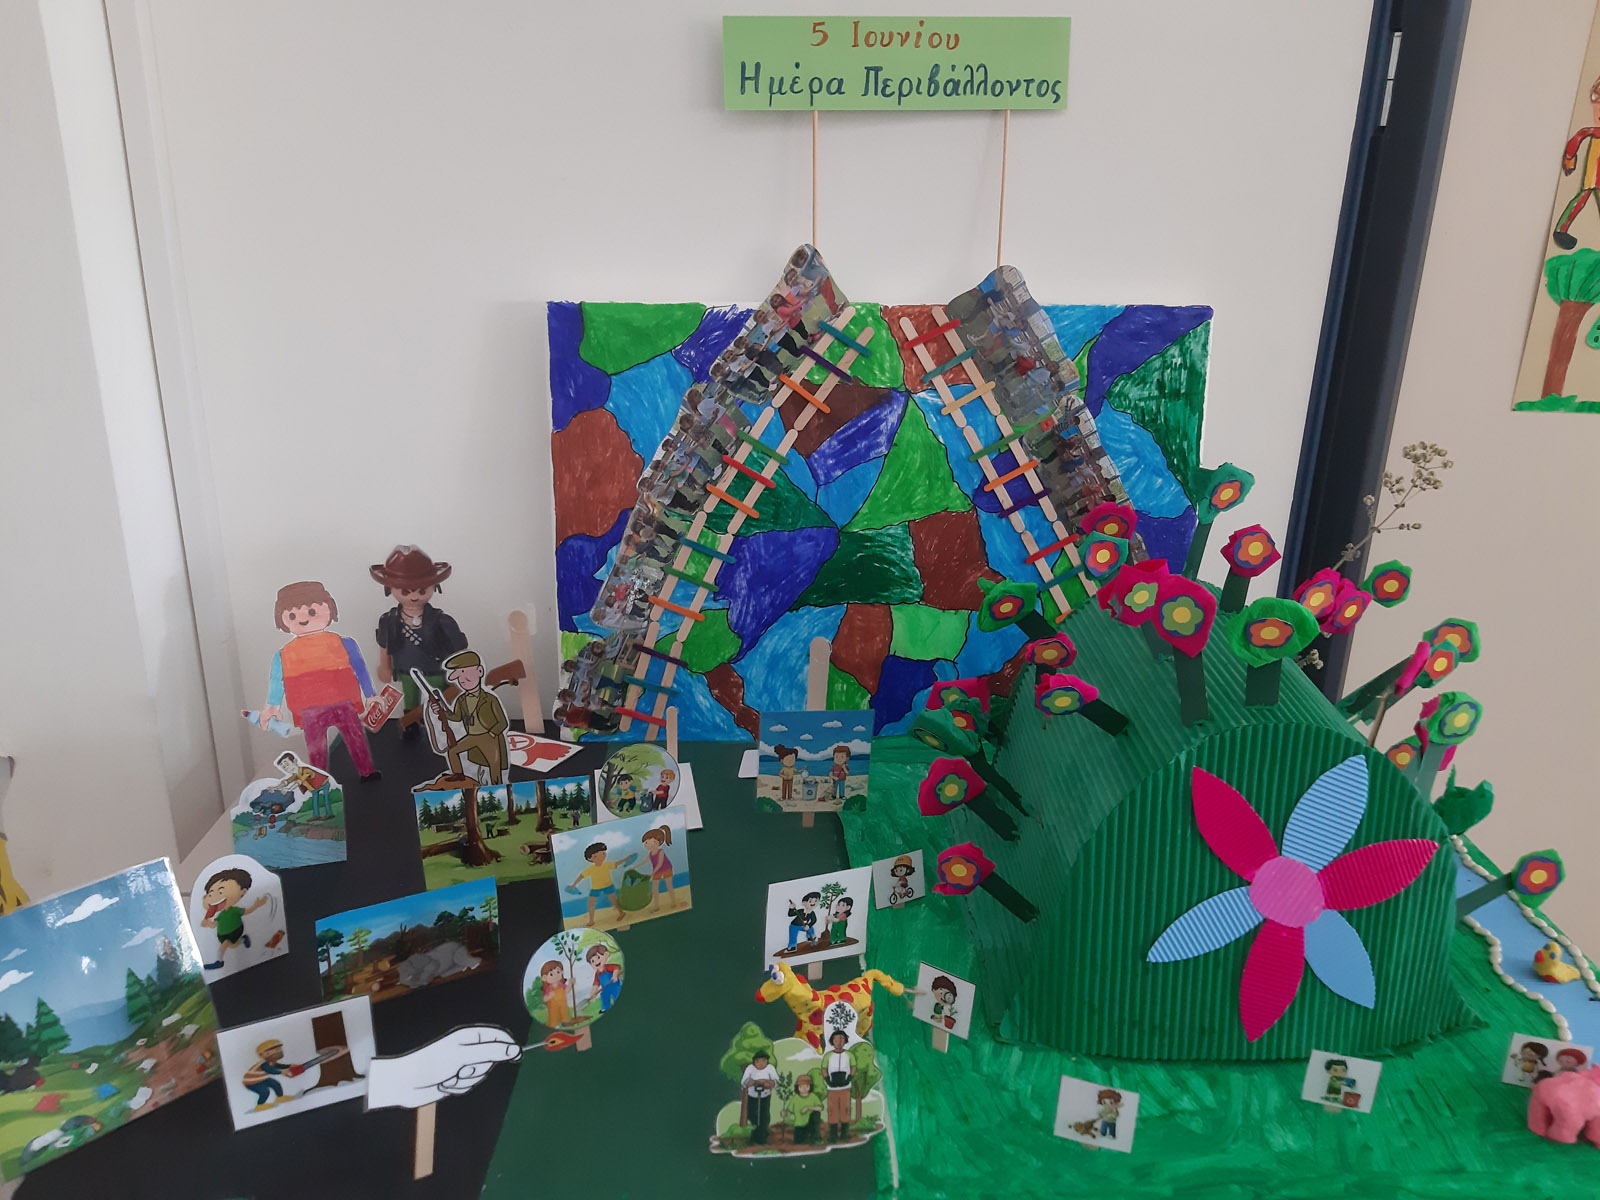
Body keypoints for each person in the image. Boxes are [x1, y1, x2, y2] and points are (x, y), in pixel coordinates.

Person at [256, 582, 379, 780]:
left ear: (330, 608)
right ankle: (320, 781)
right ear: (282, 619)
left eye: (312, 611)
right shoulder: (284, 655)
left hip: (343, 703)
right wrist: (272, 706)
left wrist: (371, 695)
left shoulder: (344, 643)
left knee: (355, 739)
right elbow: (277, 680)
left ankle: (367, 772)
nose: (302, 619)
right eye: (292, 615)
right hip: (310, 709)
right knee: (316, 749)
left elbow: (361, 669)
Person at [370, 546, 467, 740]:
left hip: (435, 670)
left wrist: (461, 671)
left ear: (434, 586)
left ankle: (442, 727)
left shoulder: (442, 620)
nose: (414, 596)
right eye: (405, 591)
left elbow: (459, 648)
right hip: (406, 670)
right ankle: (411, 726)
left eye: (422, 590)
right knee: (411, 699)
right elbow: (384, 645)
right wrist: (384, 666)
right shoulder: (389, 620)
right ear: (390, 589)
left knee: (438, 700)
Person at [425, 651, 509, 787]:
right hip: (472, 736)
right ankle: (458, 775)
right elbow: (456, 717)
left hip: (489, 737)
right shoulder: (461, 700)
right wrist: (441, 711)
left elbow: (503, 722)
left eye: (466, 675)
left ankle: (498, 786)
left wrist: (492, 733)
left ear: (480, 671)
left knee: (494, 765)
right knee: (452, 751)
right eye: (460, 679)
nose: (463, 681)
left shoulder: (490, 699)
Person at [1557, 78, 1600, 249]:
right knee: (1585, 193)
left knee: (1586, 194)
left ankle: (1561, 230)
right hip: (1594, 167)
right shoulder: (1593, 132)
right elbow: (1579, 136)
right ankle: (1561, 230)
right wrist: (1569, 158)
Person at [199, 868, 269, 971]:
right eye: (211, 893)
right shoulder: (221, 914)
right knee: (232, 945)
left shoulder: (235, 910)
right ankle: (243, 939)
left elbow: (247, 911)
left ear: (243, 892)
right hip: (222, 935)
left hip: (234, 931)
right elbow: (215, 924)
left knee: (225, 945)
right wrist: (208, 923)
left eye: (221, 892)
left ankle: (219, 962)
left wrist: (256, 905)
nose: (215, 897)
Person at [569, 842, 635, 927]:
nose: (602, 856)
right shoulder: (591, 869)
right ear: (590, 858)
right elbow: (581, 876)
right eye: (597, 855)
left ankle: (621, 913)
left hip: (608, 885)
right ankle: (591, 921)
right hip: (596, 888)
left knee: (614, 901)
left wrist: (626, 859)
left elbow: (616, 863)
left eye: (603, 854)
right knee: (591, 904)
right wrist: (573, 885)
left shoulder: (606, 865)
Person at [241, 1040, 315, 1110]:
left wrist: (289, 1066)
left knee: (276, 1084)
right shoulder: (264, 1064)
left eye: (278, 1050)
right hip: (251, 1082)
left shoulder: (271, 1062)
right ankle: (260, 1105)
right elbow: (270, 1070)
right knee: (264, 1091)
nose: (276, 1053)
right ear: (262, 1055)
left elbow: (279, 1066)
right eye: (269, 1053)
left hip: (261, 1078)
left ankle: (280, 1098)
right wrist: (281, 1072)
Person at [274, 752, 333, 819]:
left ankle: (329, 814)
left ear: (295, 761)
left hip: (323, 783)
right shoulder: (296, 775)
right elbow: (287, 781)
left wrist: (289, 789)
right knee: (315, 801)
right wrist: (275, 787)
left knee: (326, 799)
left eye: (287, 764)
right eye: (284, 767)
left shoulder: (305, 770)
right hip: (314, 788)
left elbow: (300, 781)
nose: (288, 768)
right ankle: (316, 815)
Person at [741, 1050, 779, 1145]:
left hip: (765, 1096)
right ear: (755, 1061)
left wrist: (769, 1083)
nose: (762, 1063)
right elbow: (744, 1082)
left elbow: (776, 1082)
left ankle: (763, 1137)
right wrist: (752, 1082)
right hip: (752, 1096)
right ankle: (753, 1137)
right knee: (752, 1116)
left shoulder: (770, 1068)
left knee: (764, 1116)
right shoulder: (750, 1068)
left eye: (764, 1061)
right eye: (759, 1061)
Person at [823, 1030, 854, 1142]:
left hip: (845, 1088)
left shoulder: (849, 1055)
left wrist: (849, 1078)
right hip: (832, 1089)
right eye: (836, 1040)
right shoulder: (828, 1056)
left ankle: (844, 1134)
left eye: (841, 1039)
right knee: (833, 1110)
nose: (839, 1042)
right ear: (832, 1041)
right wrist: (828, 1080)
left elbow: (853, 1067)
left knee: (845, 1109)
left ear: (845, 1041)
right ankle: (833, 1135)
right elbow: (824, 1069)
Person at [641, 825, 676, 912]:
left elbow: (660, 864)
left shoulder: (661, 852)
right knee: (655, 888)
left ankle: (673, 902)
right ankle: (656, 906)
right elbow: (645, 861)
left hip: (666, 868)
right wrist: (635, 867)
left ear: (657, 841)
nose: (646, 845)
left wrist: (652, 874)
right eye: (645, 843)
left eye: (647, 842)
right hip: (656, 871)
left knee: (669, 886)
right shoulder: (650, 854)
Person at [787, 1073, 825, 1145]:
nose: (804, 1089)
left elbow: (820, 1108)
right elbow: (789, 1111)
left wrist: (808, 1108)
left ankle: (815, 1139)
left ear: (810, 1087)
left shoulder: (813, 1097)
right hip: (799, 1125)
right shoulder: (795, 1099)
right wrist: (784, 1114)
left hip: (810, 1125)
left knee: (816, 1114)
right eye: (801, 1086)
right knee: (798, 1143)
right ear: (798, 1087)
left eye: (807, 1086)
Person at [585, 942, 622, 1013]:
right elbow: (596, 985)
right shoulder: (597, 974)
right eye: (592, 961)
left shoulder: (607, 967)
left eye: (598, 957)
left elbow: (616, 968)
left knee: (617, 993)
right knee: (604, 996)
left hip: (615, 986)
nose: (596, 962)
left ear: (606, 955)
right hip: (605, 988)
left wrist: (614, 975)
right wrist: (593, 994)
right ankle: (605, 1008)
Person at [538, 961, 571, 1027]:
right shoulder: (549, 989)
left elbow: (567, 990)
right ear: (544, 978)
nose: (556, 976)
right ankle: (553, 1024)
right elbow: (544, 999)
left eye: (558, 972)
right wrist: (549, 996)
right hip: (553, 1005)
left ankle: (565, 1021)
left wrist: (570, 983)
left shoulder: (561, 985)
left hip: (563, 1003)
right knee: (553, 1014)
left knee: (564, 1012)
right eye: (551, 974)